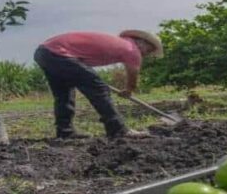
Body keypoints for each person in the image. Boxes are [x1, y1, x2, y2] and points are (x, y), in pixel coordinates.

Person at [33, 30, 163, 139]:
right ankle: (119, 130)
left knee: (64, 94)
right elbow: (133, 75)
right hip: (58, 53)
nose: (147, 53)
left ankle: (65, 132)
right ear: (142, 42)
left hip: (44, 52)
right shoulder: (132, 50)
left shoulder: (122, 43)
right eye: (149, 49)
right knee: (99, 89)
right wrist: (129, 90)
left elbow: (80, 64)